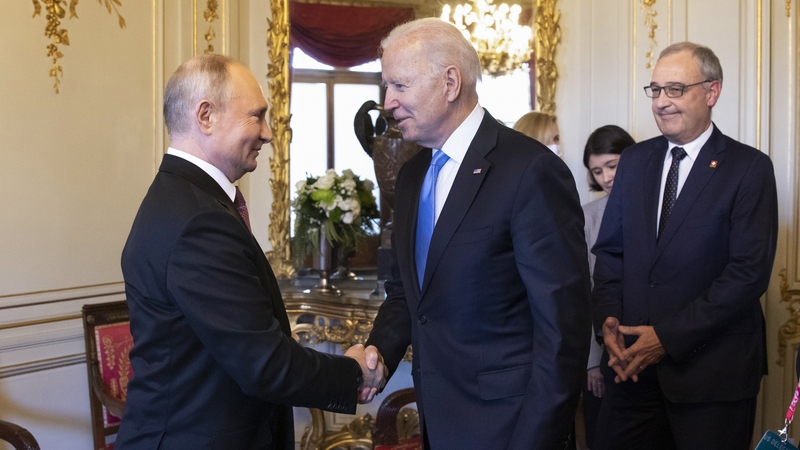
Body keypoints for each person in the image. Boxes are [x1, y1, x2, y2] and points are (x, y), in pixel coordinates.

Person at [116, 54, 385, 449]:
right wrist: (354, 372)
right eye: (256, 116)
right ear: (205, 116)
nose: (269, 133)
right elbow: (265, 367)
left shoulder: (185, 201)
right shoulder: (198, 221)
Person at [364, 18, 592, 449]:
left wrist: (534, 441)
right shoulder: (412, 175)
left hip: (511, 428)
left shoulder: (530, 171)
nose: (388, 102)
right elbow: (407, 292)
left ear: (450, 82)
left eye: (399, 86)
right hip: (438, 422)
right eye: (385, 87)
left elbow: (563, 330)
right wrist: (375, 355)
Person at [592, 42, 778, 450]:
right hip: (631, 373)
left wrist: (666, 337)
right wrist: (606, 320)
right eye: (655, 90)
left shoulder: (749, 168)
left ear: (711, 92)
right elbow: (610, 253)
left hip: (711, 380)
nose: (661, 102)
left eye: (675, 89)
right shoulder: (635, 161)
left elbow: (747, 273)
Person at [580, 125, 635, 449]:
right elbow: (585, 291)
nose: (606, 177)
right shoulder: (588, 216)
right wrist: (591, 359)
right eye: (597, 171)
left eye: (612, 166)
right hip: (604, 349)